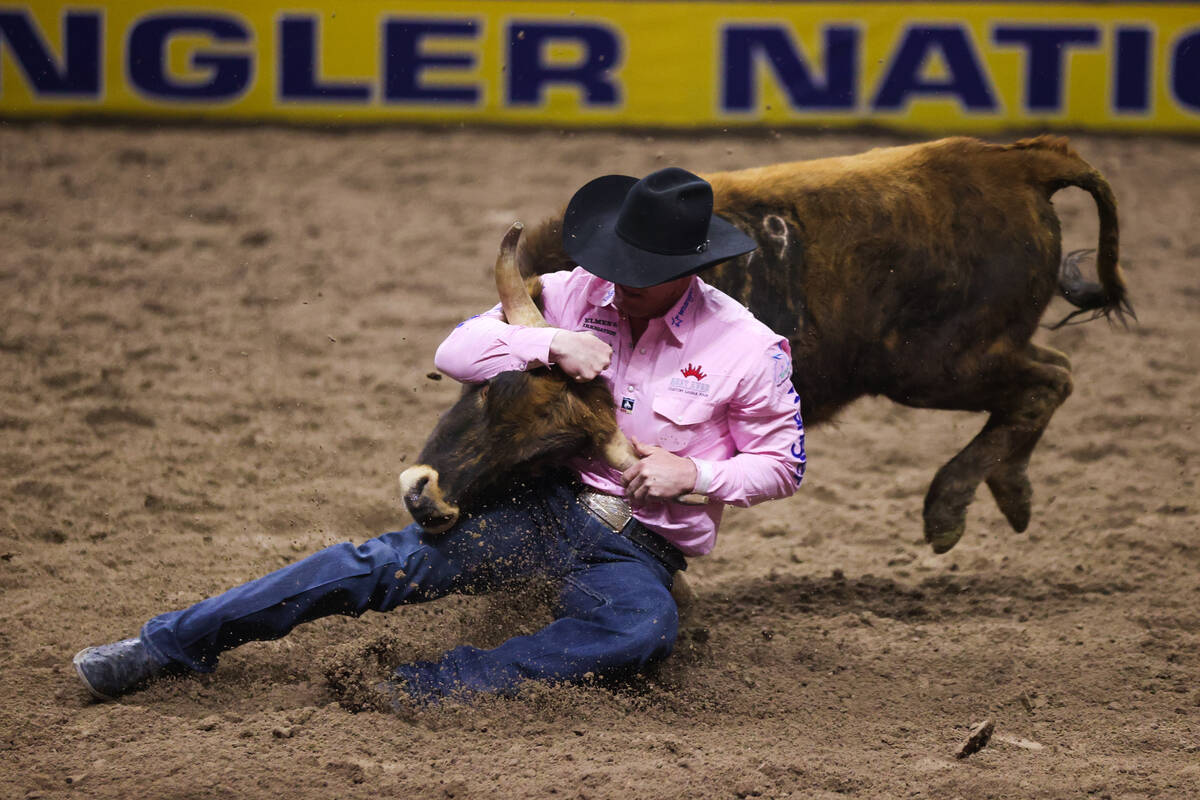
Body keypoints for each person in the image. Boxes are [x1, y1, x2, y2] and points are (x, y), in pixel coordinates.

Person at [73, 167, 807, 707]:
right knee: (372, 566)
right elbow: (455, 351)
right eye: (614, 264)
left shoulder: (750, 348)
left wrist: (698, 476)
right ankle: (166, 643)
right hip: (537, 507)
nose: (616, 283)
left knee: (641, 631)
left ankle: (425, 686)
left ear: (689, 271)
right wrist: (547, 345)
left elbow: (782, 464)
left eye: (638, 274)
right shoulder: (575, 291)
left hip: (636, 544)